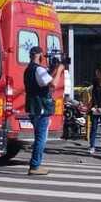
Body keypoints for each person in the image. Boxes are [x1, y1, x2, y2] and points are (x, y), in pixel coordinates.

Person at [23, 45, 66, 176]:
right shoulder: (39, 69)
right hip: (41, 107)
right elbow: (53, 84)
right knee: (41, 138)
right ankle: (35, 166)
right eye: (43, 56)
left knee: (39, 137)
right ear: (40, 56)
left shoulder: (29, 69)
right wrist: (59, 70)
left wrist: (54, 70)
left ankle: (35, 164)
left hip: (33, 107)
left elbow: (45, 80)